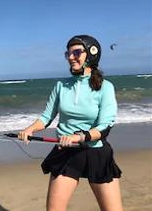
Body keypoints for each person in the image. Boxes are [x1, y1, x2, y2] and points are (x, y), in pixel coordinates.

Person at [18, 35, 123, 211]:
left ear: (91, 54)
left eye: (76, 52)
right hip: (66, 152)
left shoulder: (105, 87)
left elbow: (105, 127)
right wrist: (30, 129)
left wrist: (79, 137)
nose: (71, 57)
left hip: (95, 152)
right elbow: (46, 117)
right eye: (68, 53)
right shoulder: (61, 85)